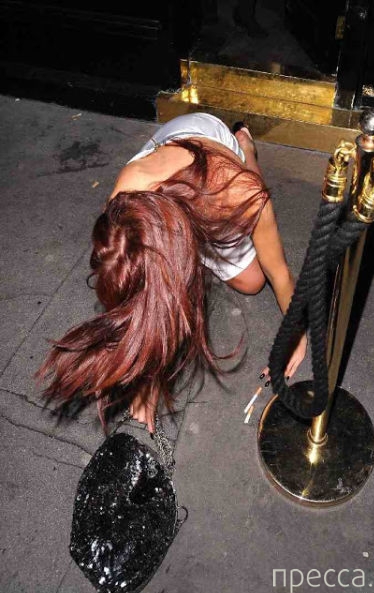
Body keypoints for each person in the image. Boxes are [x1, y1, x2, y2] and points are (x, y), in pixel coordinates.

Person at [37, 113, 307, 433]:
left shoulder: (242, 194)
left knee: (253, 281)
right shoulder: (131, 190)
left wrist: (295, 333)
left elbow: (279, 273)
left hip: (215, 150)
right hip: (171, 150)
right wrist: (145, 382)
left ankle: (246, 146)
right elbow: (142, 304)